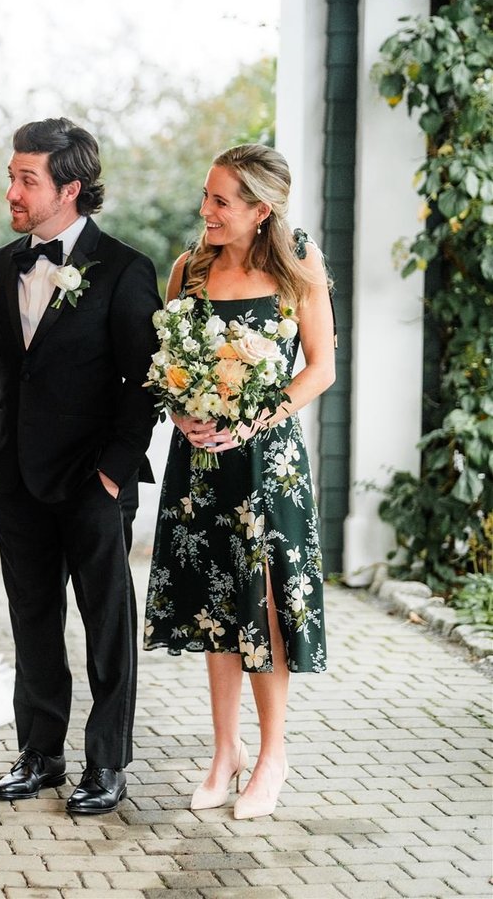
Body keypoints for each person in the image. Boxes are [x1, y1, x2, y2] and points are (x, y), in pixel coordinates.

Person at [0, 117, 161, 815]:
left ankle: (107, 762)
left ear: (70, 188)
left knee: (106, 623)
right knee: (32, 619)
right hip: (15, 476)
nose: (12, 190)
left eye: (28, 179)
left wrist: (112, 473)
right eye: (12, 176)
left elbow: (147, 381)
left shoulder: (126, 269)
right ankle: (41, 753)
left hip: (91, 480)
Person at [144, 144, 333, 820]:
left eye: (221, 200)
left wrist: (256, 419)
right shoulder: (189, 269)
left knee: (266, 607)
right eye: (206, 196)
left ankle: (272, 756)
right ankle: (225, 754)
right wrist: (182, 411)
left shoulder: (297, 262)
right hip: (198, 465)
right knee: (212, 604)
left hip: (266, 464)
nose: (206, 211)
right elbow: (166, 363)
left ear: (262, 208)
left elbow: (319, 368)